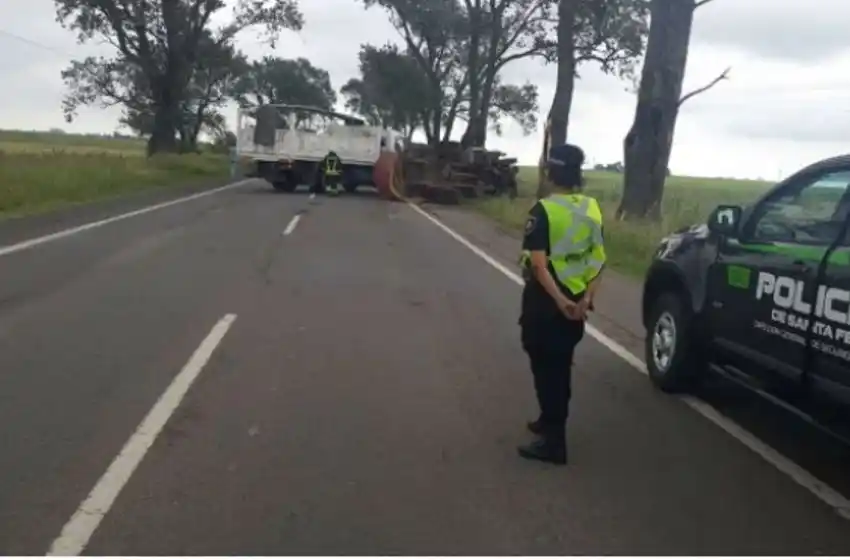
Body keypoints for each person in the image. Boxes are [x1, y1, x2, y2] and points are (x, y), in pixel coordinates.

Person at [516, 143, 606, 465]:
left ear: (551, 172)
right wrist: (585, 299)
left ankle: (554, 442)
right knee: (560, 365)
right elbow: (598, 259)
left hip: (546, 303)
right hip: (576, 305)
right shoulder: (591, 208)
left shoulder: (543, 211)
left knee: (544, 366)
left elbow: (539, 266)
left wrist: (561, 302)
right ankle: (548, 420)